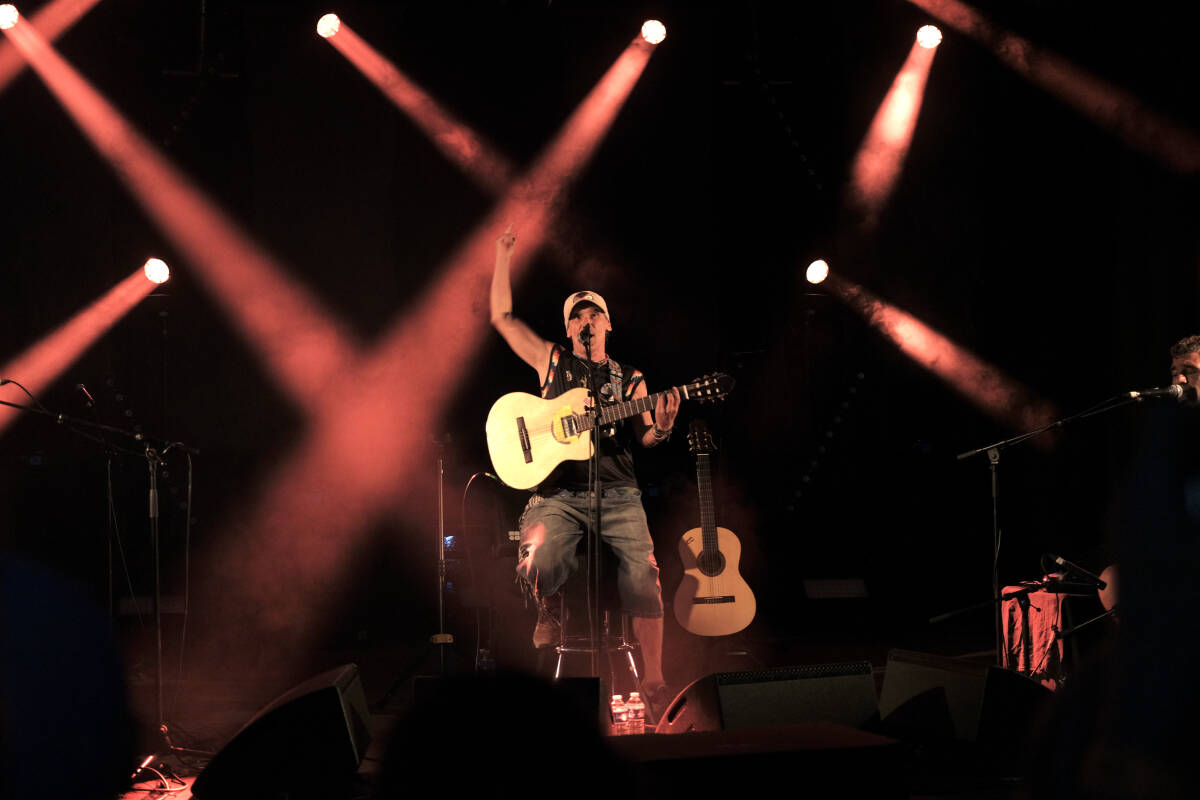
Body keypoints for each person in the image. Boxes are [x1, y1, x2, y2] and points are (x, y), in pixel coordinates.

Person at [489, 225, 678, 707]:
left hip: (619, 495)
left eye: (594, 313)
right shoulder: (551, 362)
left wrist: (664, 425)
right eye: (578, 316)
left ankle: (654, 682)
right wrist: (502, 255)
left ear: (608, 324)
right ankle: (548, 607)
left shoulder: (630, 379)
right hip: (559, 497)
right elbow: (503, 316)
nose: (586, 320)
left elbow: (648, 438)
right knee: (541, 557)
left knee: (644, 572)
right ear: (568, 328)